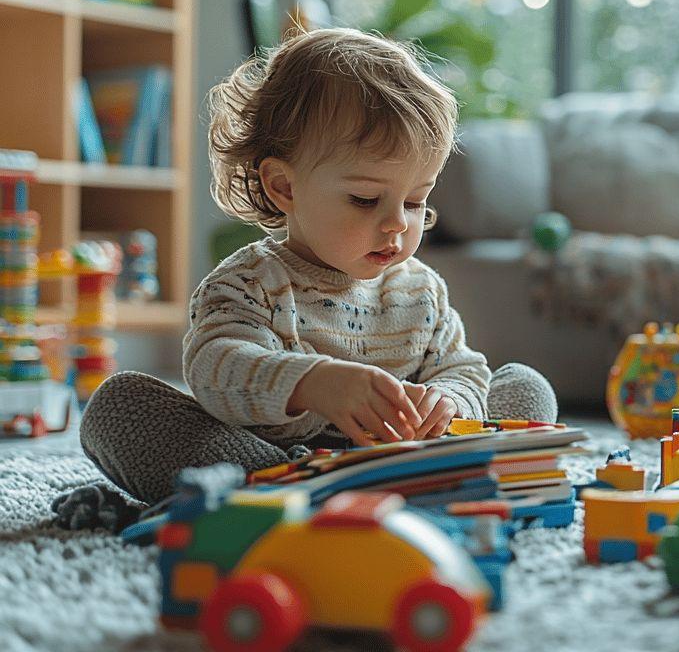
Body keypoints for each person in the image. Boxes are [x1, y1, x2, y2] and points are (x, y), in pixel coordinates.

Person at [54, 28, 556, 530]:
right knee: (119, 406)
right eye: (365, 199)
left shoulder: (420, 290)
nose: (398, 224)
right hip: (276, 464)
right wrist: (312, 384)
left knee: (525, 387)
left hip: (409, 460)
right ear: (283, 186)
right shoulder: (250, 281)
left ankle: (406, 489)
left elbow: (463, 369)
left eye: (415, 201)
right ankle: (289, 499)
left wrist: (447, 403)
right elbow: (214, 368)